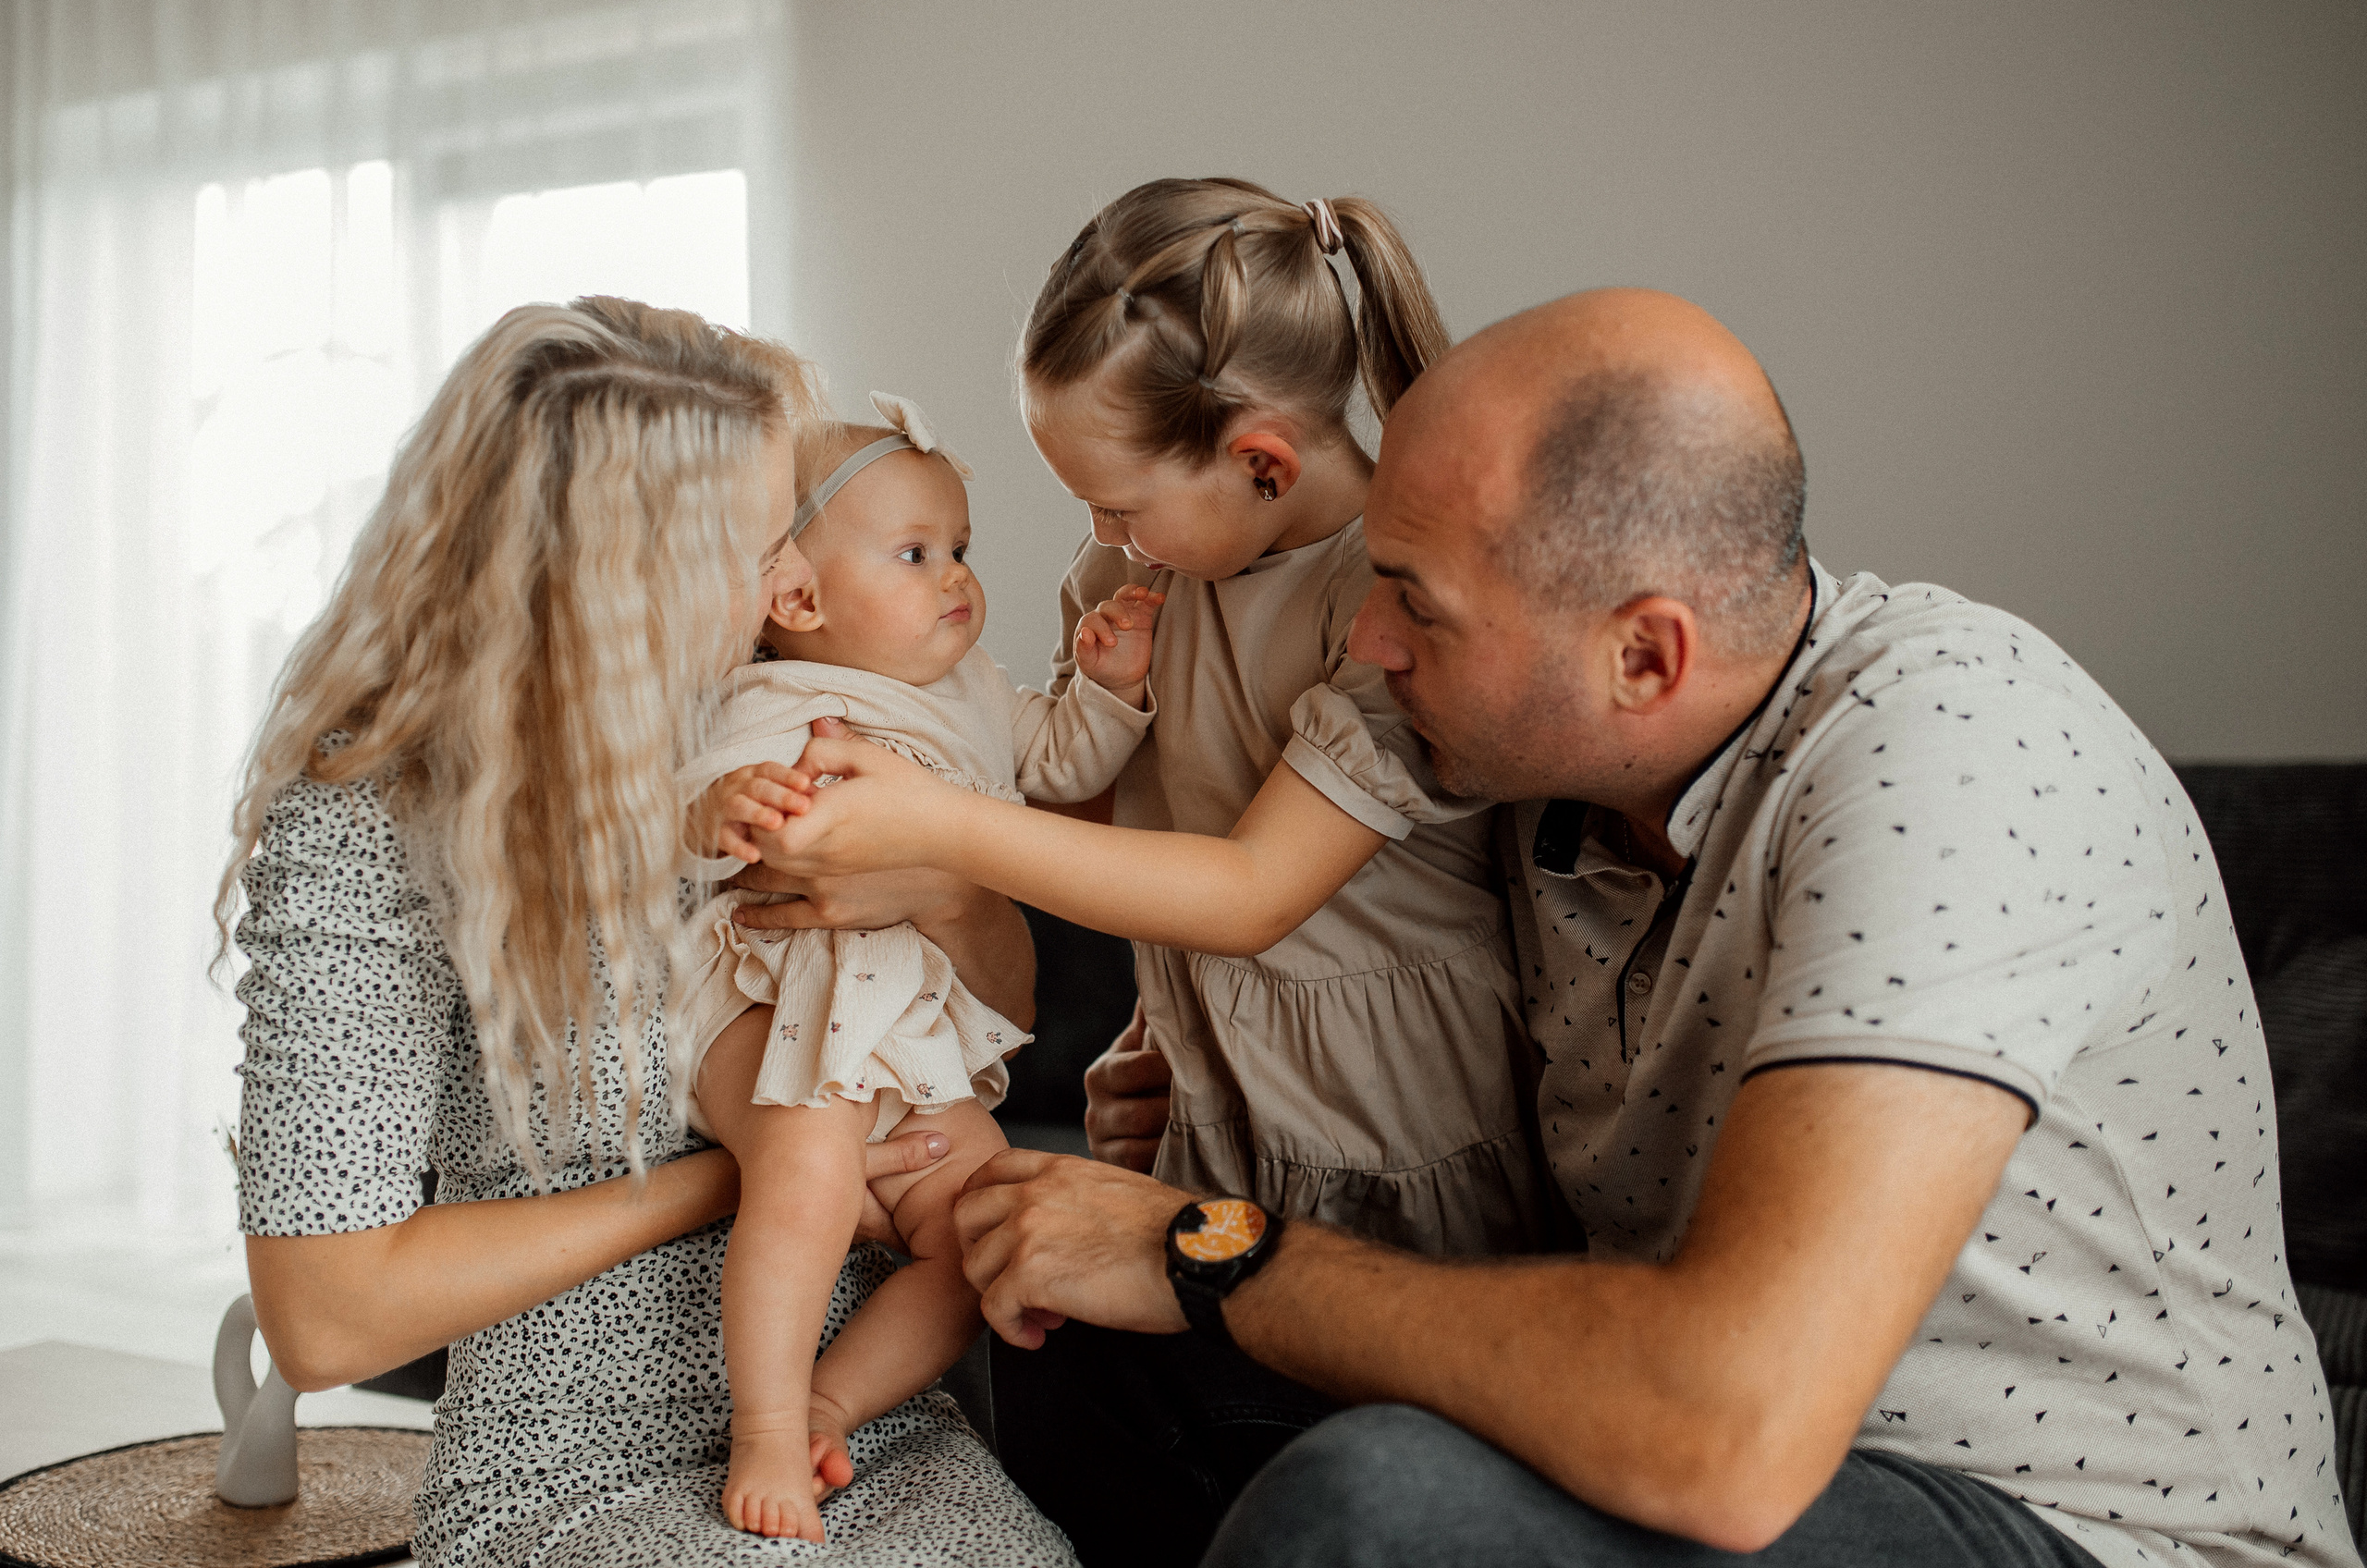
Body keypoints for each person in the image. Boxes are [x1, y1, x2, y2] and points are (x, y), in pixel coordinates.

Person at [766, 289, 2360, 1568]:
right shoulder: (1534, 773)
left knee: (1383, 1503)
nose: (1367, 642)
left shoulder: (1954, 749)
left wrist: (1205, 1243)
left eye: (1414, 603)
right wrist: (1156, 1060)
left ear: (1646, 656)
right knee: (1054, 1307)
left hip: (2054, 1515)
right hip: (1661, 1443)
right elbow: (1253, 904)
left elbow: (1724, 1433)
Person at [724, 176, 1554, 1558]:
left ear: (1264, 465)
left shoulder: (1390, 602)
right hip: (1214, 1102)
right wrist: (1142, 1020)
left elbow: (1250, 891)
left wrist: (928, 826)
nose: (1102, 540)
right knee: (1101, 1412)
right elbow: (1106, 828)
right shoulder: (1137, 585)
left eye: (1118, 503)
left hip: (1391, 1120)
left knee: (1354, 1461)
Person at [221, 299, 1075, 1566]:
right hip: (573, 1469)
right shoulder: (372, 821)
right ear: (624, 576)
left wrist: (943, 890)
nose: (794, 581)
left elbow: (1000, 994)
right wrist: (777, 1167)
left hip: (870, 1428)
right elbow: (331, 1320)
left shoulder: (788, 720)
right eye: (759, 544)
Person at [668, 390, 1160, 1540]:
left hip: (914, 1019)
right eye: (914, 552)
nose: (956, 579)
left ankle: (836, 1398)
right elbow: (671, 825)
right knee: (811, 1173)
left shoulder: (977, 692)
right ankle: (766, 1427)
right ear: (794, 596)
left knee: (986, 1224)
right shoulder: (761, 697)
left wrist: (1112, 686)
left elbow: (1059, 755)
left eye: (960, 550)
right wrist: (719, 805)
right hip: (780, 1001)